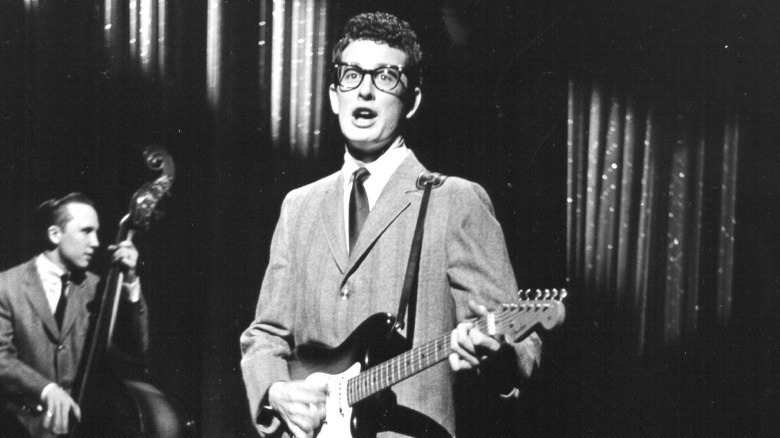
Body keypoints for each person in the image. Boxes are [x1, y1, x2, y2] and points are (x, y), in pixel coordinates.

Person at [240, 12, 542, 438]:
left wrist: (497, 356)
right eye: (351, 75)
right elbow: (266, 334)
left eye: (385, 77)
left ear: (412, 100)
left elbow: (518, 339)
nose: (364, 89)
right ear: (333, 95)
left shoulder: (455, 201)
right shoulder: (299, 206)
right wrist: (274, 391)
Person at [0, 193, 149, 437]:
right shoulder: (6, 286)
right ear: (55, 235)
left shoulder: (100, 288)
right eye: (86, 231)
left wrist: (130, 281)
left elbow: (135, 349)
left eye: (97, 232)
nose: (96, 242)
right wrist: (46, 389)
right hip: (20, 428)